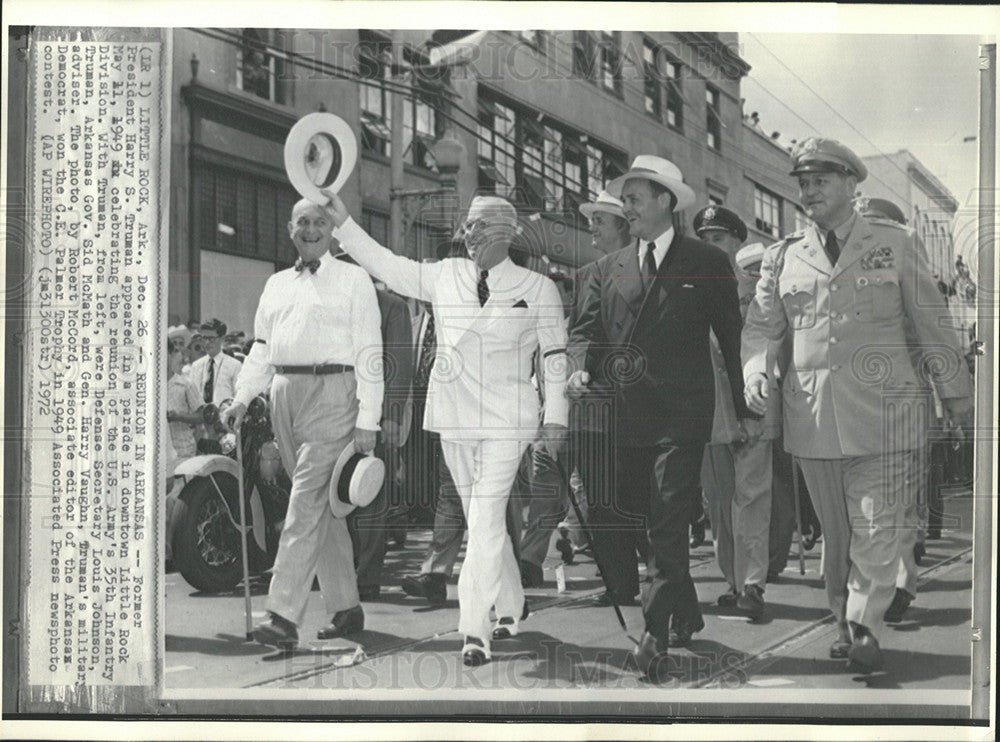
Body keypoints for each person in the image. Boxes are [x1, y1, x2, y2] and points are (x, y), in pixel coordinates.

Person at [742, 137, 974, 672]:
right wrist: (757, 371)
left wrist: (956, 394)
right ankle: (844, 617)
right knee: (837, 535)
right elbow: (762, 328)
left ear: (851, 184)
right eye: (803, 182)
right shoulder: (782, 256)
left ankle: (864, 627)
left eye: (821, 180)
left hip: (886, 417)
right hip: (814, 420)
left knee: (875, 527)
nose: (809, 191)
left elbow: (932, 323)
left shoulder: (895, 243)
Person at [324, 191, 568, 667]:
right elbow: (388, 264)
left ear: (509, 232)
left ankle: (474, 630)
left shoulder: (539, 288)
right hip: (454, 417)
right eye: (466, 225)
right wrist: (345, 225)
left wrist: (556, 416)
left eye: (479, 225)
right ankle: (513, 603)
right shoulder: (445, 274)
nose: (467, 233)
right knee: (485, 518)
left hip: (507, 419)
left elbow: (555, 357)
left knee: (484, 516)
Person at [569, 156, 749, 681]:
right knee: (644, 517)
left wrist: (743, 408)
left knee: (669, 515)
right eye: (622, 200)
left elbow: (732, 340)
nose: (626, 208)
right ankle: (683, 608)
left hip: (682, 412)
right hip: (626, 414)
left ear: (666, 201)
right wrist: (580, 369)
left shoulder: (706, 262)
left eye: (634, 198)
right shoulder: (608, 268)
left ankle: (653, 634)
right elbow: (584, 332)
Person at [222, 198, 384, 650]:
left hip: (335, 393)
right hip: (283, 395)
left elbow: (371, 352)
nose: (312, 229)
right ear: (290, 228)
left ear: (333, 229)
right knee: (322, 508)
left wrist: (368, 417)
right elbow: (260, 349)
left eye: (320, 221)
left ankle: (283, 615)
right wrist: (241, 397)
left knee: (305, 501)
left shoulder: (355, 280)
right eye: (303, 222)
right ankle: (346, 606)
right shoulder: (275, 284)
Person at [519, 191, 628, 593]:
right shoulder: (542, 322)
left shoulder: (617, 285)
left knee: (600, 498)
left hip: (597, 415)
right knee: (546, 491)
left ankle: (628, 561)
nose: (564, 295)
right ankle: (529, 562)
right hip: (554, 421)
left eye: (566, 289)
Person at [693, 207, 779, 621]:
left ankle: (752, 584)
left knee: (751, 497)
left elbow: (762, 347)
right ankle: (733, 579)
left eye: (719, 239)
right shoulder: (689, 290)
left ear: (736, 242)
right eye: (705, 239)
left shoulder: (754, 291)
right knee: (719, 501)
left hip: (750, 408)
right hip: (709, 413)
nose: (711, 247)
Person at [343, 267, 415, 602]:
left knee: (370, 496)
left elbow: (398, 365)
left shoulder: (391, 306)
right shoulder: (334, 303)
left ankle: (367, 575)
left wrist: (392, 417)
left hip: (376, 418)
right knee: (338, 497)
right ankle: (343, 570)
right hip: (335, 414)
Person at [166, 338, 205, 461]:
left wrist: (178, 416)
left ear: (171, 355)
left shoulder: (185, 384)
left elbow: (202, 416)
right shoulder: (147, 385)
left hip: (182, 450)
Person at [188, 318, 243, 406]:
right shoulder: (196, 365)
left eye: (211, 339)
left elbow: (238, 397)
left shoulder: (234, 365)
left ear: (222, 339)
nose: (207, 343)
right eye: (204, 338)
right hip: (200, 417)